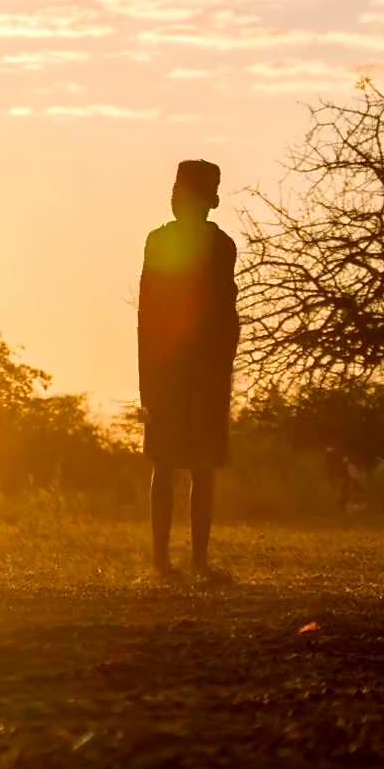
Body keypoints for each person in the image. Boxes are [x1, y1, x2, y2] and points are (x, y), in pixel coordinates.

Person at [138, 159, 239, 580]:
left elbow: (220, 312)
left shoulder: (216, 246)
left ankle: (190, 560)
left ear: (208, 200)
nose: (179, 199)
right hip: (183, 370)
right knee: (174, 464)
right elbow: (150, 312)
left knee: (197, 466)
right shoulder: (177, 244)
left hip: (195, 369)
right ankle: (169, 561)